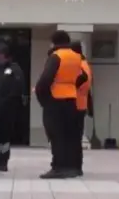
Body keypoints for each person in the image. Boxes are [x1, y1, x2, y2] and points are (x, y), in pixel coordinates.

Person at [35, 31, 84, 179]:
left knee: (56, 135)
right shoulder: (76, 57)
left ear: (54, 42)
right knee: (69, 135)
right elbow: (83, 76)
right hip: (71, 99)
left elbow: (45, 80)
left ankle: (58, 167)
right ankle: (70, 167)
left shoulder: (56, 56)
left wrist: (43, 99)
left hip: (55, 100)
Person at [0, 41, 25, 173]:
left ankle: (2, 161)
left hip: (7, 111)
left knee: (4, 139)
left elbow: (16, 90)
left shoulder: (14, 70)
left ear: (5, 55)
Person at [70, 40, 93, 176]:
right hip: (81, 104)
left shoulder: (79, 65)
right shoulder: (85, 64)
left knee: (73, 138)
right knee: (75, 138)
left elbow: (80, 81)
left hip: (75, 104)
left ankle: (75, 166)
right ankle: (76, 165)